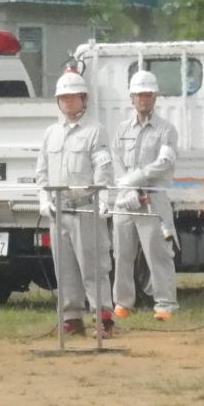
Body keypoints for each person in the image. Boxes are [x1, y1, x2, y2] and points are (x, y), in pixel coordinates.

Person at [36, 71, 115, 338]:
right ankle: (71, 318)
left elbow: (103, 169)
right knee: (65, 267)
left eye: (73, 97)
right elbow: (42, 172)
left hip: (86, 207)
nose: (69, 102)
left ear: (84, 99)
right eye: (64, 98)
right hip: (59, 210)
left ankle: (103, 318)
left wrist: (103, 200)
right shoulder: (50, 133)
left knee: (94, 266)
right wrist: (44, 200)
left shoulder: (95, 131)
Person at [112, 70, 179, 321]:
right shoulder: (120, 130)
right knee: (122, 253)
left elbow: (164, 163)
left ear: (155, 97)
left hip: (153, 198)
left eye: (148, 95)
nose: (144, 99)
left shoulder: (166, 130)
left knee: (157, 252)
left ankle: (165, 304)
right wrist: (127, 189)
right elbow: (116, 162)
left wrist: (135, 179)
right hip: (125, 200)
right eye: (139, 95)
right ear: (131, 97)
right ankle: (122, 302)